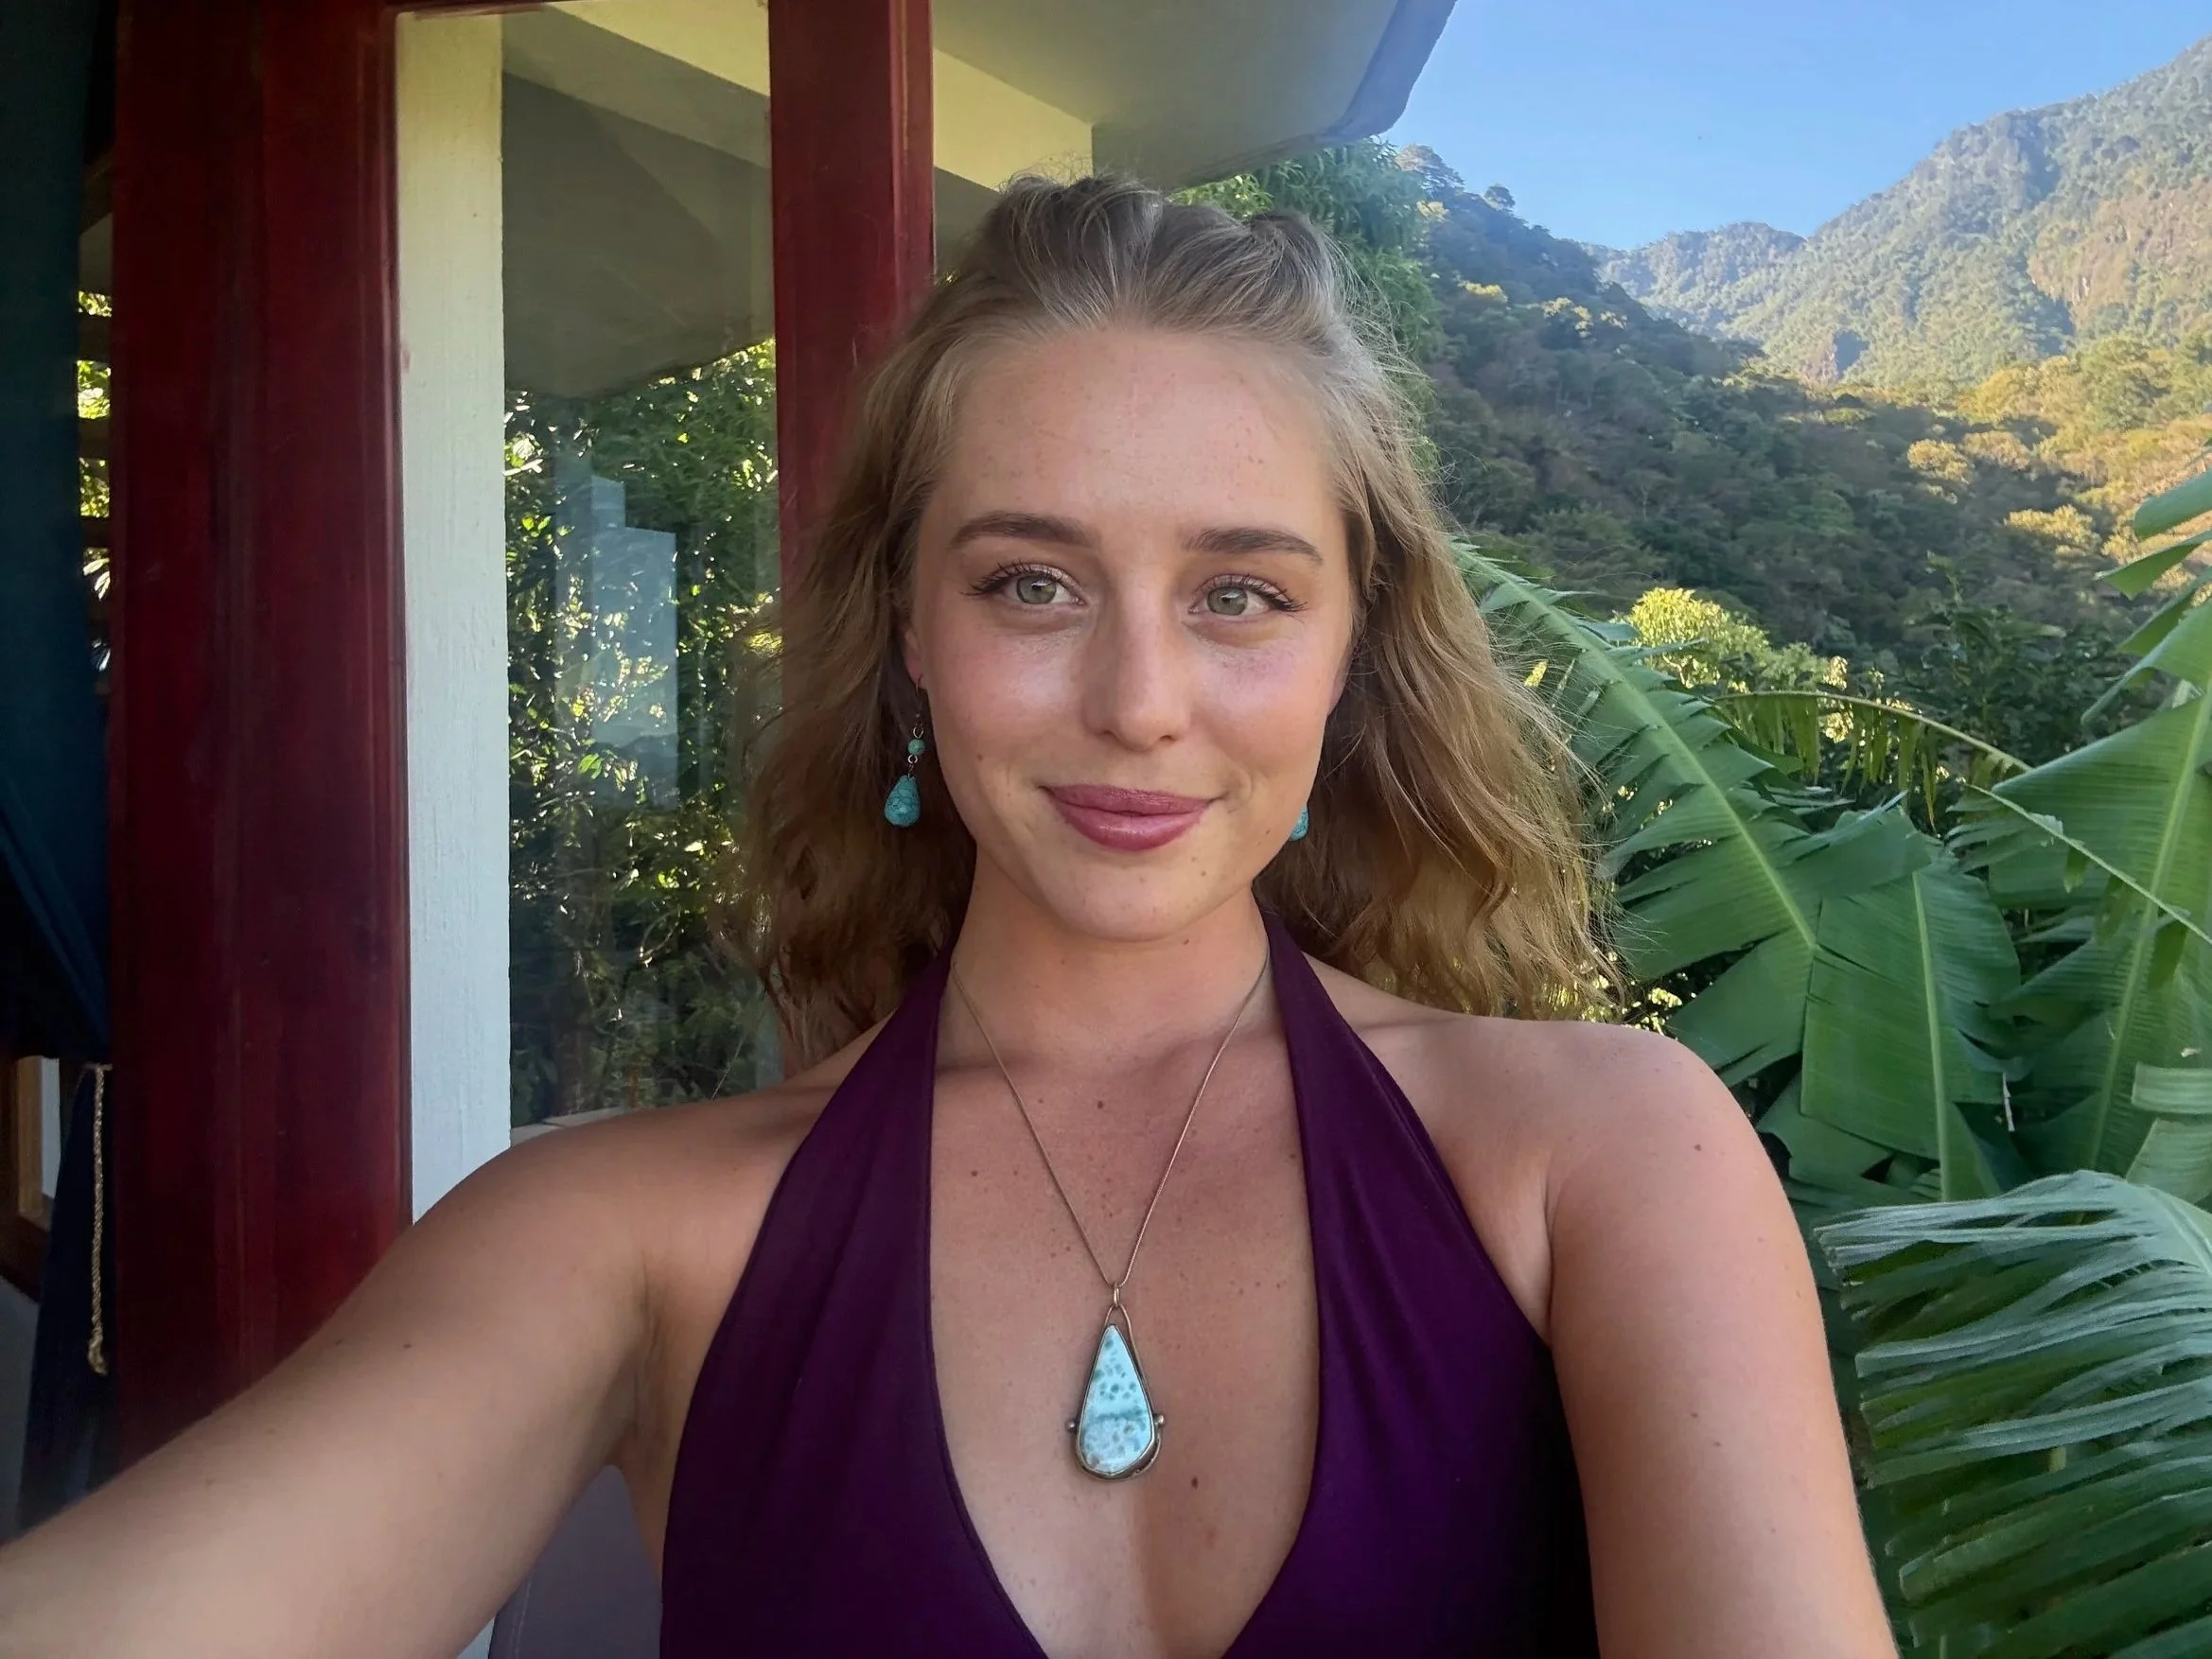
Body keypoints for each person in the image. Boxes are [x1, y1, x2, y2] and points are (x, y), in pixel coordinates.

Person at [0, 176, 1894, 1658]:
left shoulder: (1598, 1159)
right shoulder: (628, 1234)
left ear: (1351, 648)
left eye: (1239, 593)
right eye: (1029, 584)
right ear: (908, 631)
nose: (1139, 699)